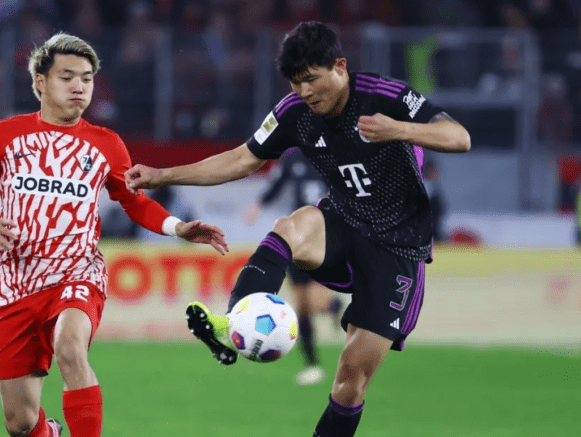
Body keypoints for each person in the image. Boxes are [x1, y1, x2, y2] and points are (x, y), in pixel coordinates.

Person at [125, 21, 470, 437]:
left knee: (349, 381)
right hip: (343, 224)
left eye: (310, 79)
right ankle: (232, 322)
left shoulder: (385, 96)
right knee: (293, 224)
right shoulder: (293, 112)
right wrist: (163, 174)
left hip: (399, 248)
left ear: (340, 66)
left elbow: (458, 136)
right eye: (295, 82)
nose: (303, 91)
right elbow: (241, 160)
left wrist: (399, 129)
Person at [0, 32, 228, 437]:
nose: (79, 86)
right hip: (15, 286)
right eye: (67, 77)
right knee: (21, 423)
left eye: (87, 78)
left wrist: (178, 227)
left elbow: (135, 203)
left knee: (70, 348)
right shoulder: (3, 136)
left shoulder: (107, 145)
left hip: (76, 274)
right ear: (40, 82)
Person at [244, 147, 343, 385]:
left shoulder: (333, 154)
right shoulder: (293, 158)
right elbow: (277, 183)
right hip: (299, 237)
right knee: (301, 306)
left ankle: (333, 305)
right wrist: (259, 205)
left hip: (325, 236)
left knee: (316, 302)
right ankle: (313, 365)